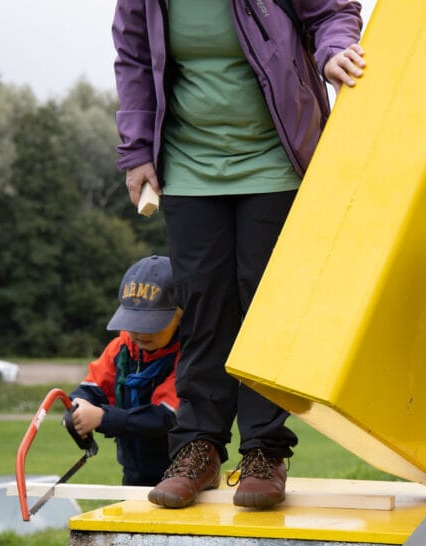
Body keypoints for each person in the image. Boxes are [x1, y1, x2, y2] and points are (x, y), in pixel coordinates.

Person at [112, 0, 365, 510]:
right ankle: (198, 448)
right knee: (202, 304)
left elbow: (331, 12)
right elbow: (134, 60)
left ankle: (263, 454)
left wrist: (334, 51)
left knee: (266, 308)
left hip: (276, 157)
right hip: (189, 164)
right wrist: (136, 150)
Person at [68, 255, 182, 486]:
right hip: (133, 474)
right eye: (134, 321)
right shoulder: (121, 349)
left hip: (181, 478)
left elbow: (163, 417)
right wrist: (77, 408)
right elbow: (91, 389)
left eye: (151, 322)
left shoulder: (189, 358)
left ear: (179, 315)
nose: (141, 333)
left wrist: (102, 417)